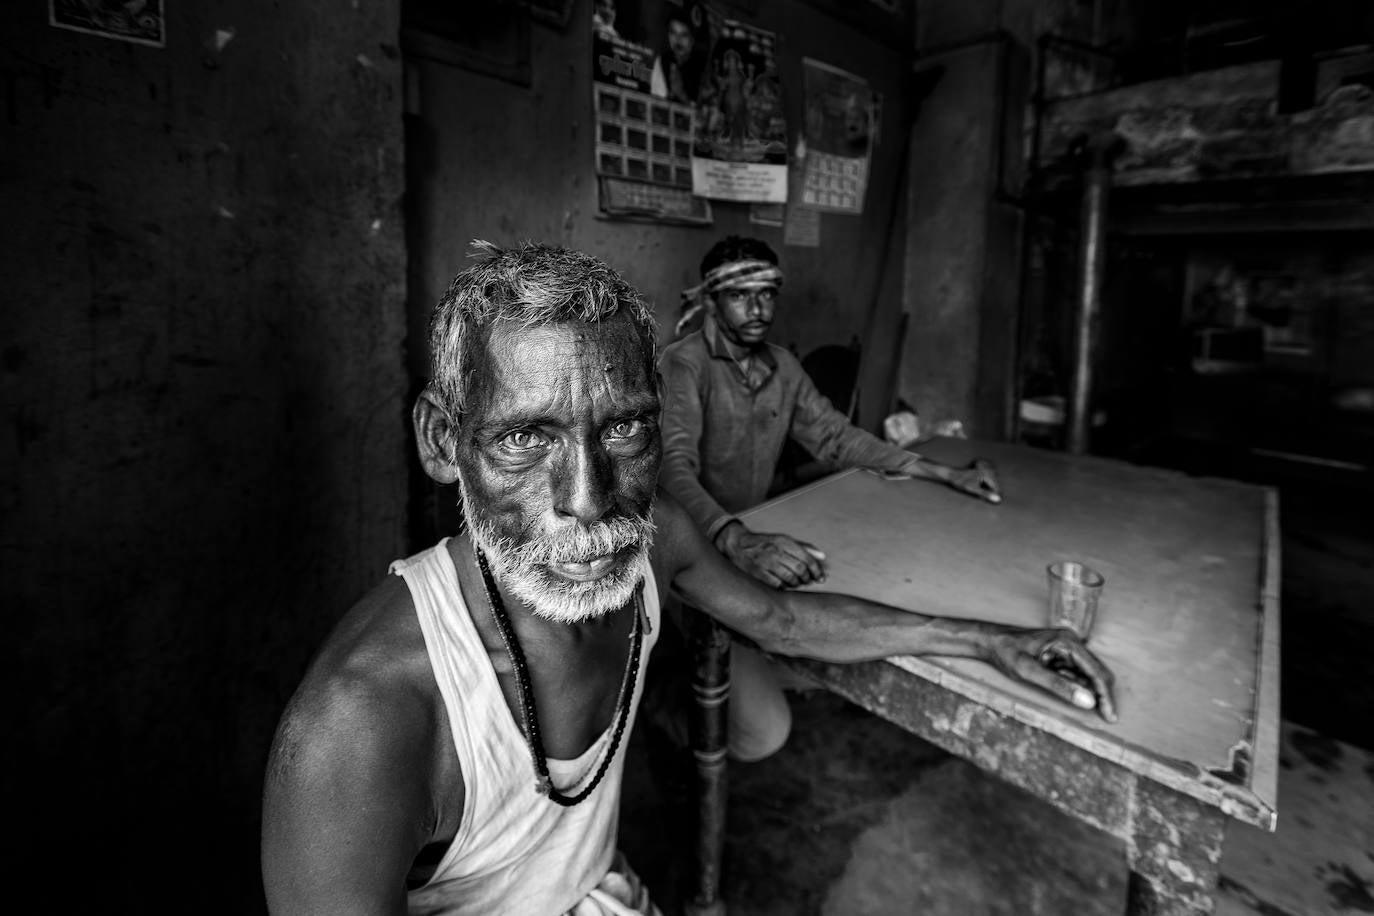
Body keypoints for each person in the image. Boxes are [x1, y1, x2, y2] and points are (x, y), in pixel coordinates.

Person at [261, 241, 1116, 915]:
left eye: (625, 429)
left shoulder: (655, 542)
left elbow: (782, 622)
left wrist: (983, 637)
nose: (590, 502)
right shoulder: (358, 727)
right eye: (526, 440)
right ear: (445, 443)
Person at [658, 235, 1004, 761]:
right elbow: (672, 472)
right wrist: (735, 538)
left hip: (756, 543)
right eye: (740, 295)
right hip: (696, 552)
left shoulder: (781, 366)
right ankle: (665, 713)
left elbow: (837, 438)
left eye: (768, 294)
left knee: (845, 639)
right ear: (709, 301)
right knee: (761, 735)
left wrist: (939, 472)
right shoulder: (682, 365)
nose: (758, 309)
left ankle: (744, 667)